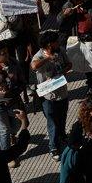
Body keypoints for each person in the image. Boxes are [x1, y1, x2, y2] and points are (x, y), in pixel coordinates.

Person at [30, 30, 72, 160]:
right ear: (49, 44)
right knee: (52, 121)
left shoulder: (60, 51)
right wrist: (48, 58)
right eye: (55, 42)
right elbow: (34, 66)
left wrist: (63, 71)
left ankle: (62, 138)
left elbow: (69, 64)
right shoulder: (39, 55)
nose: (58, 43)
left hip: (62, 92)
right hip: (48, 96)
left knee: (62, 118)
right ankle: (53, 147)